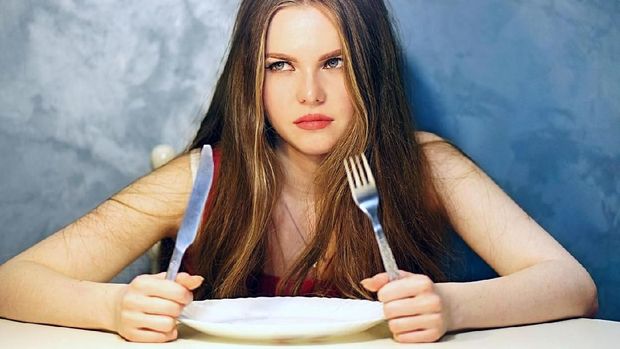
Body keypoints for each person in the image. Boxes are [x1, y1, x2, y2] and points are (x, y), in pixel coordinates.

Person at [0, 0, 597, 344]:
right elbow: (15, 281)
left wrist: (453, 306)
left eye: (333, 62)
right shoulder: (204, 176)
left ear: (370, 68)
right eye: (280, 65)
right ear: (249, 82)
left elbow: (573, 287)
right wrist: (113, 310)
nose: (309, 93)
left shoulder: (425, 166)